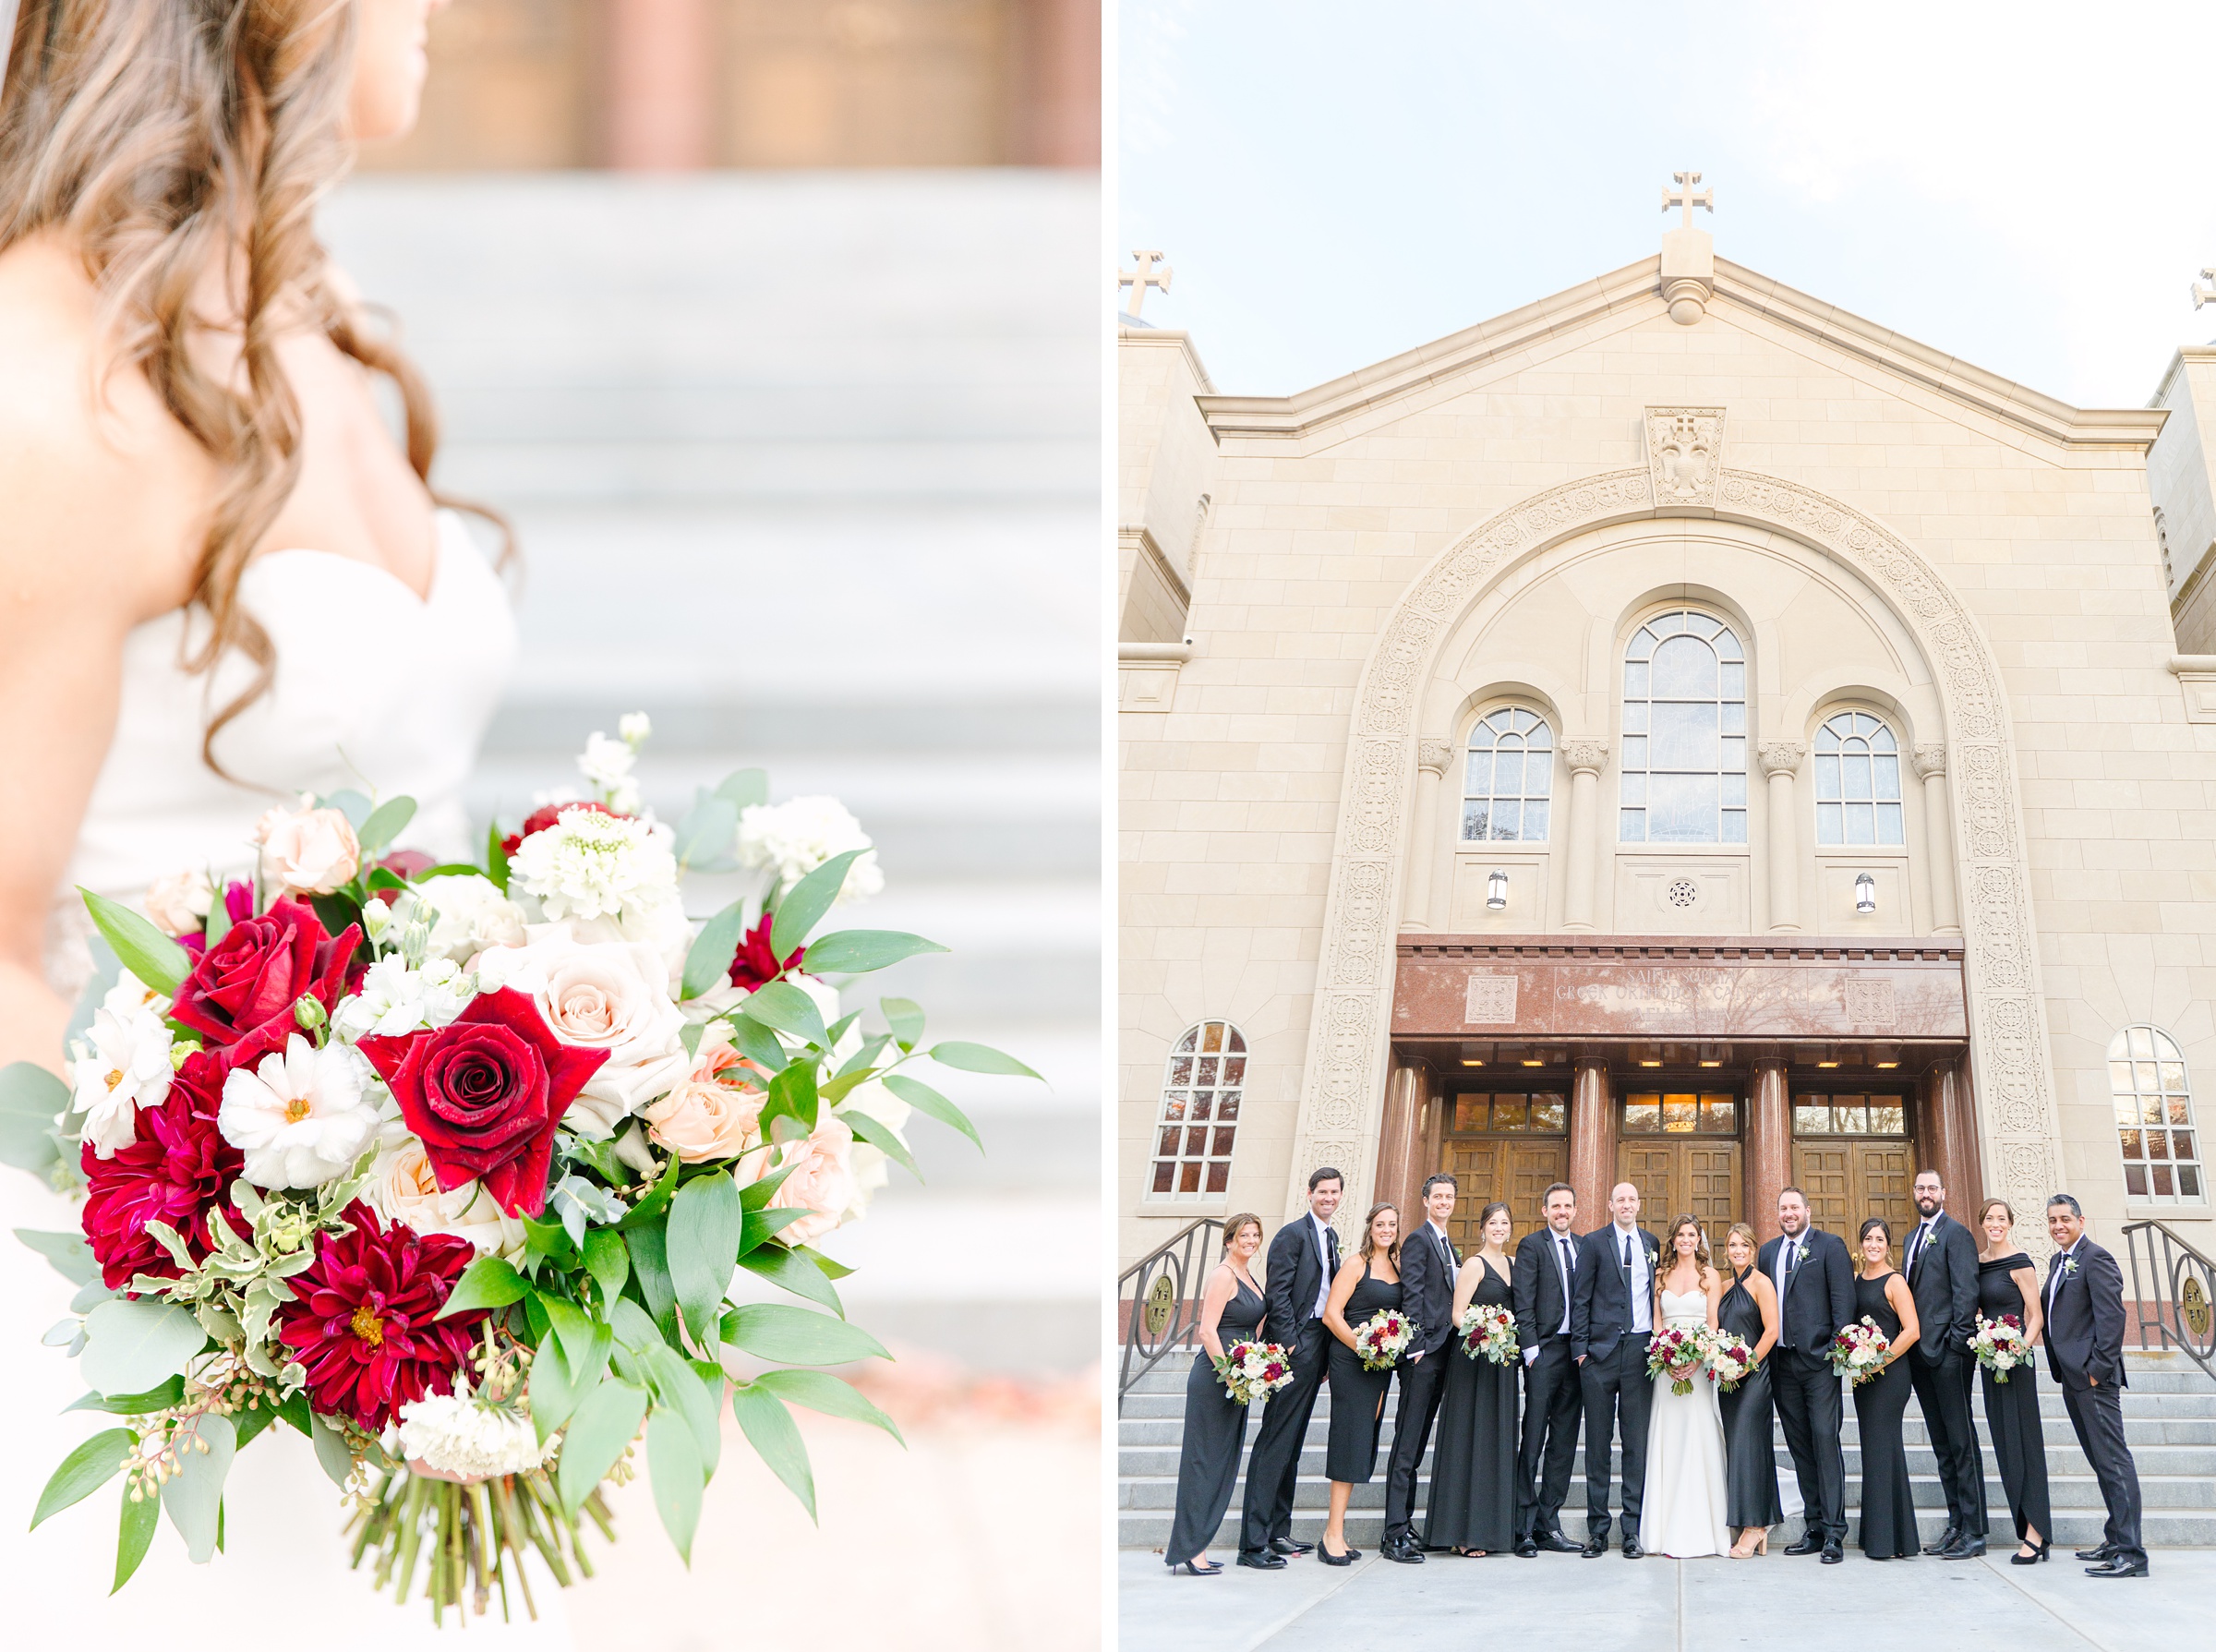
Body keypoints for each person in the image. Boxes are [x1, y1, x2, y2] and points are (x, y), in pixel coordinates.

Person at [0, 4, 551, 1636]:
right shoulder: (61, 377)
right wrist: (258, 1275)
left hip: (418, 1297)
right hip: (184, 1318)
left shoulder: (316, 318)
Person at [1238, 1167, 1344, 1568]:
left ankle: (1278, 1531)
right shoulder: (1291, 1235)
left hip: (1319, 1344)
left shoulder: (1331, 1237)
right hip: (1295, 1345)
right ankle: (1253, 1543)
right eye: (1322, 1191)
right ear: (1309, 1193)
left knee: (1294, 1443)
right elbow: (1277, 1294)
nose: (1328, 1197)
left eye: (1334, 1192)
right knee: (1275, 1441)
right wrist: (1293, 1345)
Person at [2043, 1194, 2149, 1578]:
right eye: (2052, 1220)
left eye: (2065, 1219)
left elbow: (2112, 1319)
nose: (2058, 1225)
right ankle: (2116, 1537)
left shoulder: (2096, 1258)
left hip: (2093, 1379)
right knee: (2100, 1462)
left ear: (2081, 1220)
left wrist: (2096, 1371)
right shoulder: (2059, 1260)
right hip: (2072, 1377)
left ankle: (2132, 1554)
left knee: (2114, 1461)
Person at [1163, 1213, 1268, 1575]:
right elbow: (1207, 1331)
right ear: (1229, 1240)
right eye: (1244, 1235)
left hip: (1236, 1379)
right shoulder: (1223, 1275)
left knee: (1220, 1464)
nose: (1251, 1240)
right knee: (1203, 1463)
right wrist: (1231, 1375)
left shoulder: (1248, 1275)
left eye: (1256, 1235)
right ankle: (1190, 1550)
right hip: (1214, 1379)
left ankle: (1197, 1545)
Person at [1757, 1187, 1856, 1563]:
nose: (1789, 1213)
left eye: (1794, 1207)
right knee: (1799, 1447)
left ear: (1807, 1211)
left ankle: (1834, 1532)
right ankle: (1813, 1527)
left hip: (1819, 1364)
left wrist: (1833, 1350)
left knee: (1824, 1442)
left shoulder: (1829, 1246)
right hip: (1782, 1366)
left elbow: (1843, 1302)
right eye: (1783, 1208)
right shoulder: (1768, 1252)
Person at [1570, 1181, 1661, 1558]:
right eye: (1620, 1199)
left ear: (1639, 1204)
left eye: (1632, 1199)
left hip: (1639, 1353)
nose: (1626, 1205)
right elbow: (1581, 1297)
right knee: (1597, 1447)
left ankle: (1632, 1530)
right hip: (1599, 1356)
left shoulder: (1651, 1243)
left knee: (1635, 1446)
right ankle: (1597, 1531)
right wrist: (1580, 1352)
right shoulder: (1593, 1243)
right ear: (1610, 1205)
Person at [1424, 1200, 1519, 1557]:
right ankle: (1462, 1532)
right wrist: (1486, 1333)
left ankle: (1491, 1531)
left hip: (1502, 1363)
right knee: (1469, 1439)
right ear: (1482, 1228)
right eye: (1493, 1222)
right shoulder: (1473, 1266)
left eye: (1504, 1223)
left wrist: (1504, 1337)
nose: (1499, 1228)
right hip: (1473, 1360)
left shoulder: (1513, 1265)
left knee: (1495, 1439)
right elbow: (1458, 1314)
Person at [1902, 1169, 1988, 1558]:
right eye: (1920, 1188)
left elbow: (1966, 1292)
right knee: (1941, 1445)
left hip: (1949, 1355)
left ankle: (1975, 1530)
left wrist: (1956, 1344)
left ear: (1943, 1193)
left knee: (1961, 1441)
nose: (1925, 1193)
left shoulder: (1957, 1234)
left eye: (1931, 1188)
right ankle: (1955, 1525)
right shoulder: (1910, 1238)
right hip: (1920, 1356)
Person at [1317, 1201, 1404, 1565]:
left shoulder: (1398, 1266)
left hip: (1379, 1366)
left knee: (1362, 1443)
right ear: (1370, 1228)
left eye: (1392, 1225)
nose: (1386, 1230)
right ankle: (1331, 1533)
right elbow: (1330, 1314)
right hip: (1351, 1361)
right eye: (1380, 1224)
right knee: (1348, 1439)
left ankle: (1339, 1531)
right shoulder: (1356, 1264)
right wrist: (1363, 1346)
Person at [1637, 1214, 1730, 1558]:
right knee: (1669, 1437)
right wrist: (1667, 1357)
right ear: (1672, 1240)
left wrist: (1696, 1358)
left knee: (1698, 1434)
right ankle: (1662, 1529)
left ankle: (1703, 1528)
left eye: (1692, 1234)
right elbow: (1657, 1325)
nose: (1686, 1239)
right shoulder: (1660, 1276)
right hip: (1666, 1369)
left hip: (1700, 1367)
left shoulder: (1710, 1276)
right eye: (1680, 1234)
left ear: (1699, 1239)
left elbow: (1712, 1322)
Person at [1380, 1174, 1458, 1563]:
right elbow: (1412, 1293)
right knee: (1407, 1442)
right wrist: (1415, 1348)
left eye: (1449, 1197)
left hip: (1445, 1354)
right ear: (1425, 1200)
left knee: (1420, 1440)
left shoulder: (1448, 1245)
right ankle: (1393, 1532)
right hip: (1422, 1356)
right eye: (1437, 1196)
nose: (1443, 1202)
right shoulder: (1417, 1239)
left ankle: (1405, 1523)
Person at [1974, 1198, 2053, 1564]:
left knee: (2025, 1440)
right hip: (1990, 1361)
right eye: (1989, 1218)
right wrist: (1986, 1342)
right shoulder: (1978, 1264)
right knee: (2004, 1443)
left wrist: (2019, 1347)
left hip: (2017, 1361)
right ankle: (2025, 1527)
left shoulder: (2020, 1263)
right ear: (1982, 1223)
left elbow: (2035, 1316)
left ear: (2010, 1223)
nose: (1995, 1223)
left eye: (2001, 1218)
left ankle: (2037, 1533)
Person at [1510, 1181, 1584, 1556]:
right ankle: (1522, 1526)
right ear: (1545, 1211)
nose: (1562, 1212)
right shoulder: (1531, 1246)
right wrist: (1530, 1349)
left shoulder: (1585, 1246)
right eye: (1555, 1206)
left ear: (1575, 1210)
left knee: (1564, 1442)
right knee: (1534, 1435)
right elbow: (1523, 1298)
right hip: (1544, 1353)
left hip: (1577, 1355)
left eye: (1567, 1206)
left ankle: (1548, 1524)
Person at [1849, 1217, 1922, 1560]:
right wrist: (1855, 1361)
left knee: (1883, 1449)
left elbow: (1911, 1331)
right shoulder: (1855, 1280)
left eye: (1879, 1239)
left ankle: (1887, 1540)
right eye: (1868, 1239)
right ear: (1861, 1244)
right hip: (1864, 1379)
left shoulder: (1895, 1282)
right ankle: (1886, 1536)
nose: (1873, 1244)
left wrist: (1878, 1362)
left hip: (1890, 1377)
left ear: (1887, 1245)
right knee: (1877, 1452)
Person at [1713, 1221, 1783, 1557]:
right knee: (1736, 1448)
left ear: (1753, 1249)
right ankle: (1747, 1521)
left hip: (1754, 1376)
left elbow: (1771, 1331)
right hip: (1728, 1379)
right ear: (1726, 1251)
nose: (1738, 1250)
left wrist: (1746, 1364)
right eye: (1732, 1245)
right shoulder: (1723, 1285)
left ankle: (1755, 1526)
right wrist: (1721, 1364)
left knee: (1747, 1443)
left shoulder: (1762, 1283)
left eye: (1744, 1245)